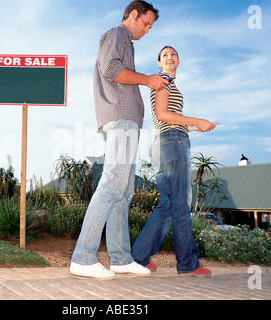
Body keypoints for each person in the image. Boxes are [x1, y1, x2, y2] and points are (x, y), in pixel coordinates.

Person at [70, 1, 168, 280]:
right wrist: (148, 80)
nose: (147, 30)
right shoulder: (117, 34)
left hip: (126, 121)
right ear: (133, 14)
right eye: (146, 23)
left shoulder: (126, 41)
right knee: (113, 182)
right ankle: (83, 257)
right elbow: (111, 69)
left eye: (151, 26)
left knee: (123, 192)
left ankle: (121, 259)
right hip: (120, 119)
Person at [131, 46, 216, 277]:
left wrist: (195, 127)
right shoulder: (163, 80)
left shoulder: (168, 83)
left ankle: (138, 257)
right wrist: (198, 119)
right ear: (159, 63)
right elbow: (162, 114)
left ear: (179, 60)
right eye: (165, 55)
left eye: (173, 54)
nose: (170, 57)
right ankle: (188, 264)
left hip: (166, 142)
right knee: (180, 204)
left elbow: (171, 119)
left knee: (168, 204)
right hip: (172, 142)